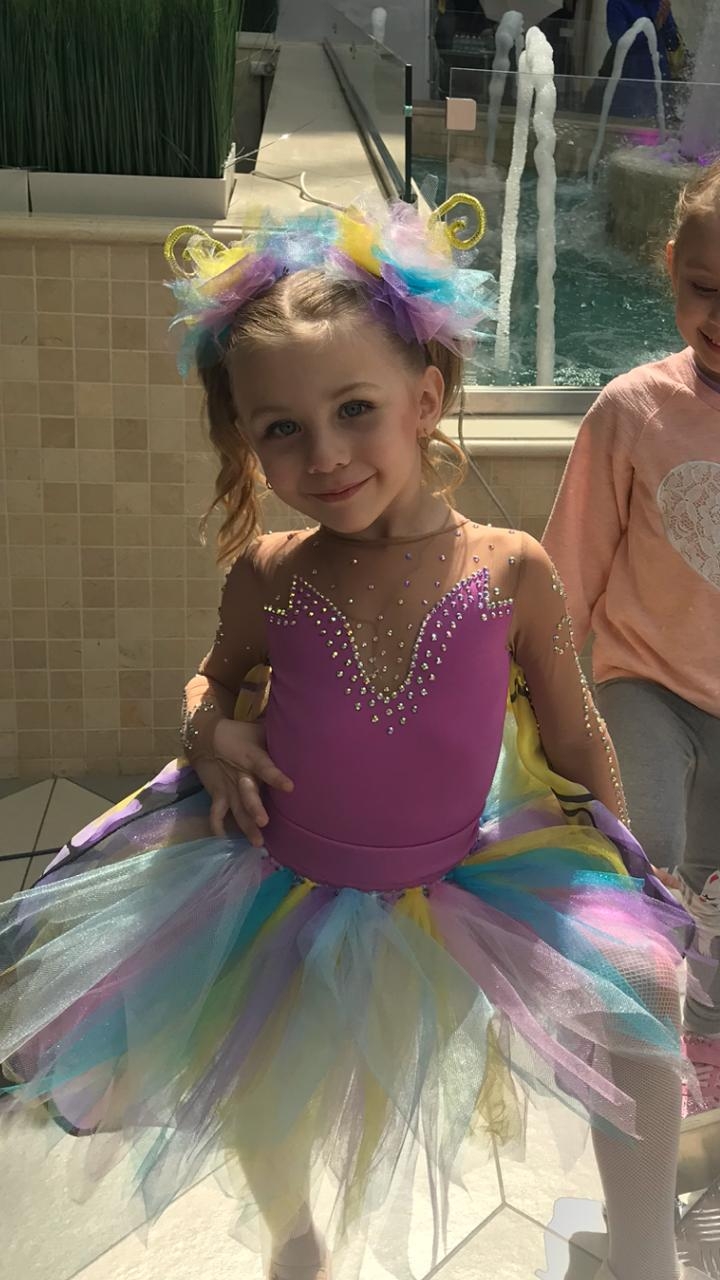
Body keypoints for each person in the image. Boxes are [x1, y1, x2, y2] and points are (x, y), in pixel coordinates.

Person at [0, 196, 707, 1280]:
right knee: (260, 1066)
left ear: (425, 399)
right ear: (247, 438)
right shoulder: (271, 573)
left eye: (354, 410)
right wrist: (208, 731)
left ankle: (647, 1252)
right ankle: (295, 1239)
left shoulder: (510, 569)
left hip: (469, 880)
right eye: (281, 428)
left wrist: (625, 867)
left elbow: (572, 732)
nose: (324, 454)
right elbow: (213, 677)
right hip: (281, 880)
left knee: (643, 982)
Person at [544, 160, 720, 1133]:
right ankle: (620, 1023)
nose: (719, 315)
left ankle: (706, 1043)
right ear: (670, 267)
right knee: (643, 853)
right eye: (703, 286)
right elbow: (567, 566)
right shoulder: (631, 410)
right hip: (643, 677)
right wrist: (532, 692)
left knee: (717, 886)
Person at [603, 0, 683, 117]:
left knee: (661, 123)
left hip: (660, 82)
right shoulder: (618, 3)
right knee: (630, 125)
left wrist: (666, 21)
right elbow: (620, 43)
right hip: (632, 84)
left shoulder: (658, 3)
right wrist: (655, 26)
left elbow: (672, 44)